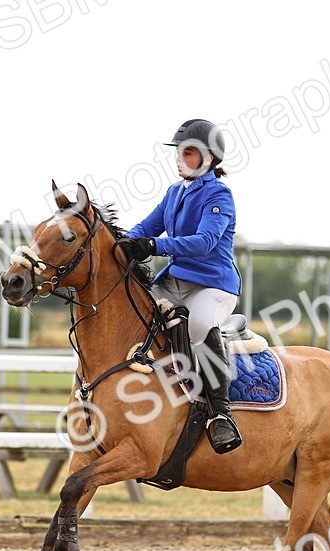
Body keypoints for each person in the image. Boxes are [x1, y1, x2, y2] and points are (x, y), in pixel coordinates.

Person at [117, 118, 243, 454]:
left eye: (188, 153)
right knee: (134, 312)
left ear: (209, 158)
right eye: (179, 153)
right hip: (173, 282)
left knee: (200, 324)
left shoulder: (220, 195)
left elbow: (204, 242)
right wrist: (119, 244)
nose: (179, 159)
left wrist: (154, 247)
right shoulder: (175, 193)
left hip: (213, 285)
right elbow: (147, 225)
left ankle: (221, 414)